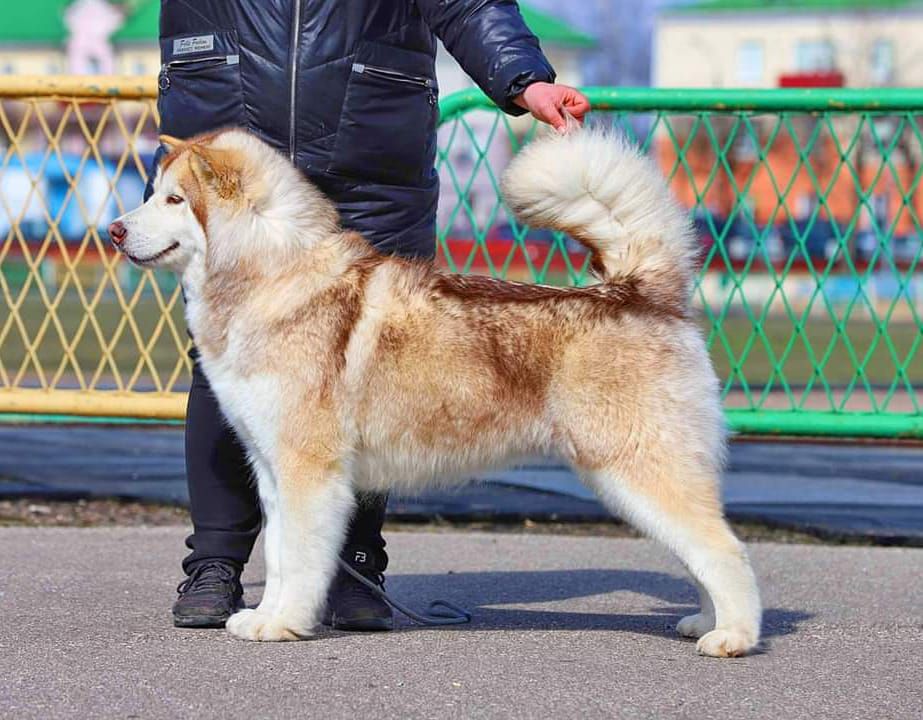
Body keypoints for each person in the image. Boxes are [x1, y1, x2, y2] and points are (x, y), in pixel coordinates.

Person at [153, 0, 591, 632]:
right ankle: (215, 564)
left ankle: (355, 564)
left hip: (373, 155)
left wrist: (523, 76)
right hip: (230, 153)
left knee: (383, 363)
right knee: (230, 365)